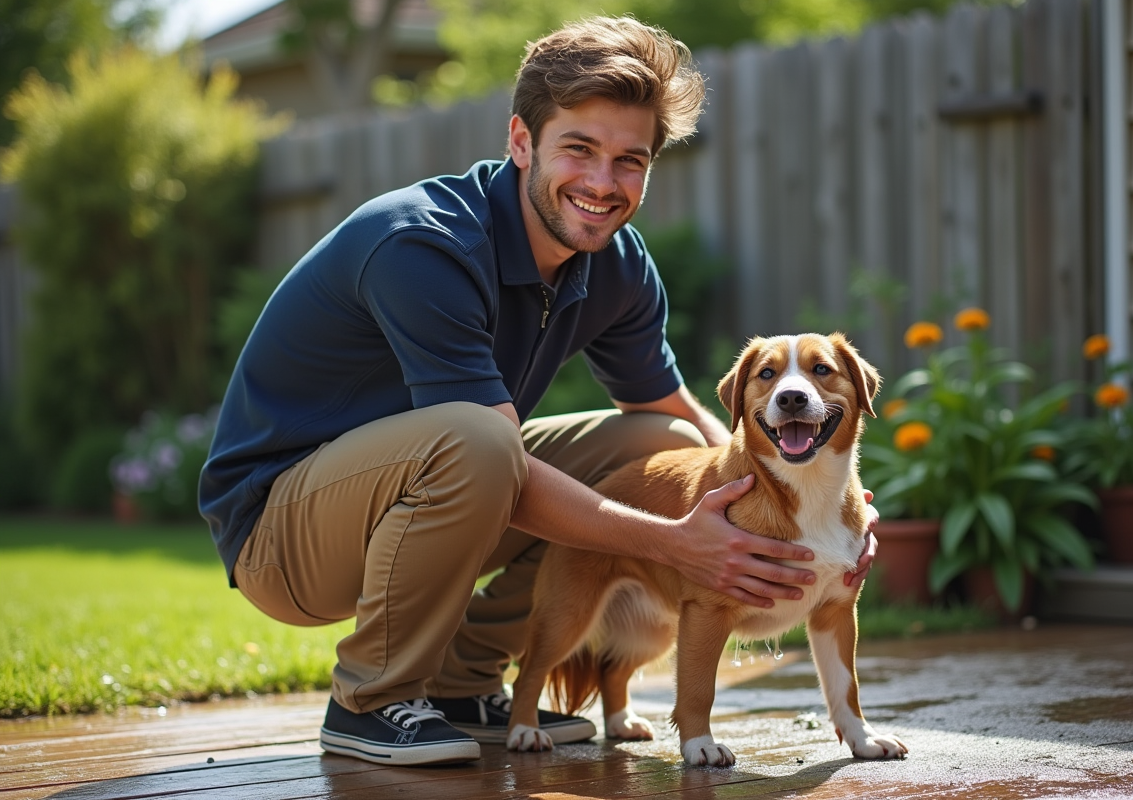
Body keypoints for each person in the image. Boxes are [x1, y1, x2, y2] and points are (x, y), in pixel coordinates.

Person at [199, 15, 878, 768]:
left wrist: (818, 515)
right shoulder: (423, 244)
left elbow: (679, 421)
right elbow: (493, 461)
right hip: (283, 536)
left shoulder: (615, 263)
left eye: (630, 160)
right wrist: (676, 543)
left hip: (425, 483)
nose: (602, 183)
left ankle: (463, 683)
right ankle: (372, 697)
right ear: (521, 142)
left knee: (668, 446)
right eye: (578, 150)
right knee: (482, 441)